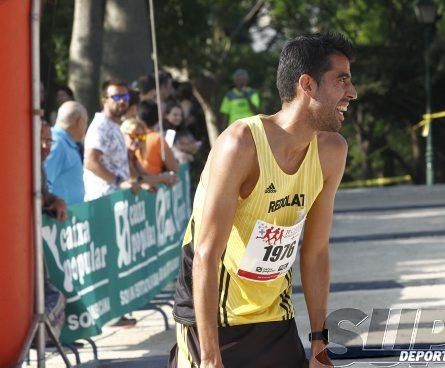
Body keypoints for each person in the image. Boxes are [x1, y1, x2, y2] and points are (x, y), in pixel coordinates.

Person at [171, 33, 357, 368]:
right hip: (214, 319)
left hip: (274, 316)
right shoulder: (241, 144)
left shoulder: (332, 152)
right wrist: (211, 358)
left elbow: (315, 252)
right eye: (341, 80)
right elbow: (205, 255)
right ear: (307, 85)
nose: (352, 93)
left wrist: (319, 342)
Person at [83, 80, 138, 201]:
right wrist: (118, 182)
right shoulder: (101, 126)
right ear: (104, 100)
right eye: (117, 97)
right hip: (103, 201)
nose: (122, 101)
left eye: (125, 96)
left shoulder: (114, 125)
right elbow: (90, 162)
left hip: (117, 199)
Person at [44, 101, 88, 206]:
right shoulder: (57, 143)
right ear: (79, 122)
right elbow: (44, 183)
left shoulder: (63, 142)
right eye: (85, 122)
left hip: (71, 218)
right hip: (59, 219)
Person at [120, 118, 179, 188]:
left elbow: (143, 176)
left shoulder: (133, 155)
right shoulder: (121, 154)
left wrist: (165, 178)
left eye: (141, 137)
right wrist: (163, 178)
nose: (137, 140)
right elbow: (137, 179)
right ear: (123, 135)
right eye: (133, 136)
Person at [136, 100, 180, 175]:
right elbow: (174, 168)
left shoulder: (131, 137)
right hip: (155, 182)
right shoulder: (157, 139)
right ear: (158, 118)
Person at [41, 123, 68, 222]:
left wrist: (57, 201)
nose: (44, 146)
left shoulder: (40, 166)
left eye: (48, 142)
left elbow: (44, 194)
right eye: (39, 140)